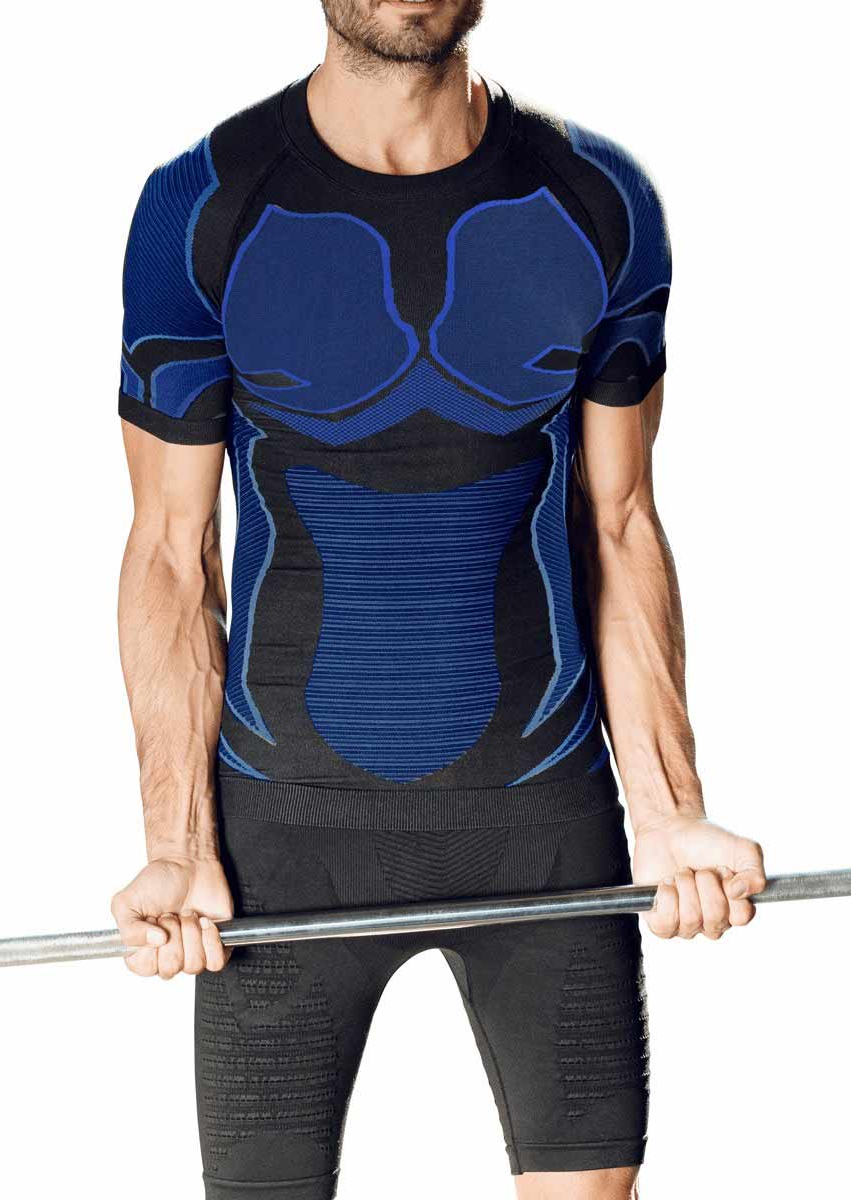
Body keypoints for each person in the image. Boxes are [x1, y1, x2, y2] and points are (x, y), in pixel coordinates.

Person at [110, 2, 766, 1197]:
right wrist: (178, 846)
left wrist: (671, 814)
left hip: (543, 825)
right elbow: (168, 551)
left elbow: (620, 521)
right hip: (283, 843)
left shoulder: (598, 203)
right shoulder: (202, 207)